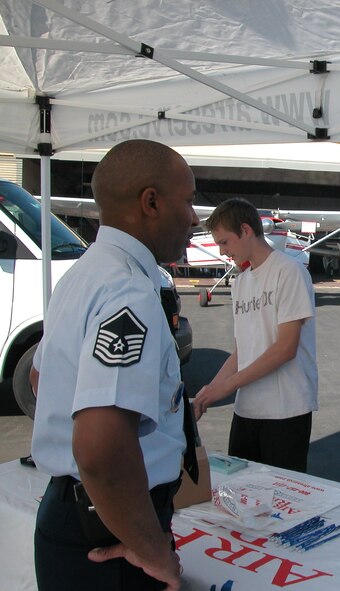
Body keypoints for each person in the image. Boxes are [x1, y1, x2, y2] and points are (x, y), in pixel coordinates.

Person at [30, 139, 200, 591]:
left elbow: (38, 377)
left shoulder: (82, 275)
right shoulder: (129, 291)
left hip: (80, 518)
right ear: (151, 202)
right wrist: (152, 550)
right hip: (110, 537)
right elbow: (102, 450)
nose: (195, 217)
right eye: (188, 200)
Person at [193, 198, 317, 472]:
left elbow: (286, 348)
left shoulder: (289, 272)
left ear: (246, 230)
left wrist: (227, 387)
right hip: (246, 410)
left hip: (286, 411)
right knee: (240, 494)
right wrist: (208, 392)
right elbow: (242, 352)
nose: (223, 252)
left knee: (283, 500)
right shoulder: (240, 283)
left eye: (225, 242)